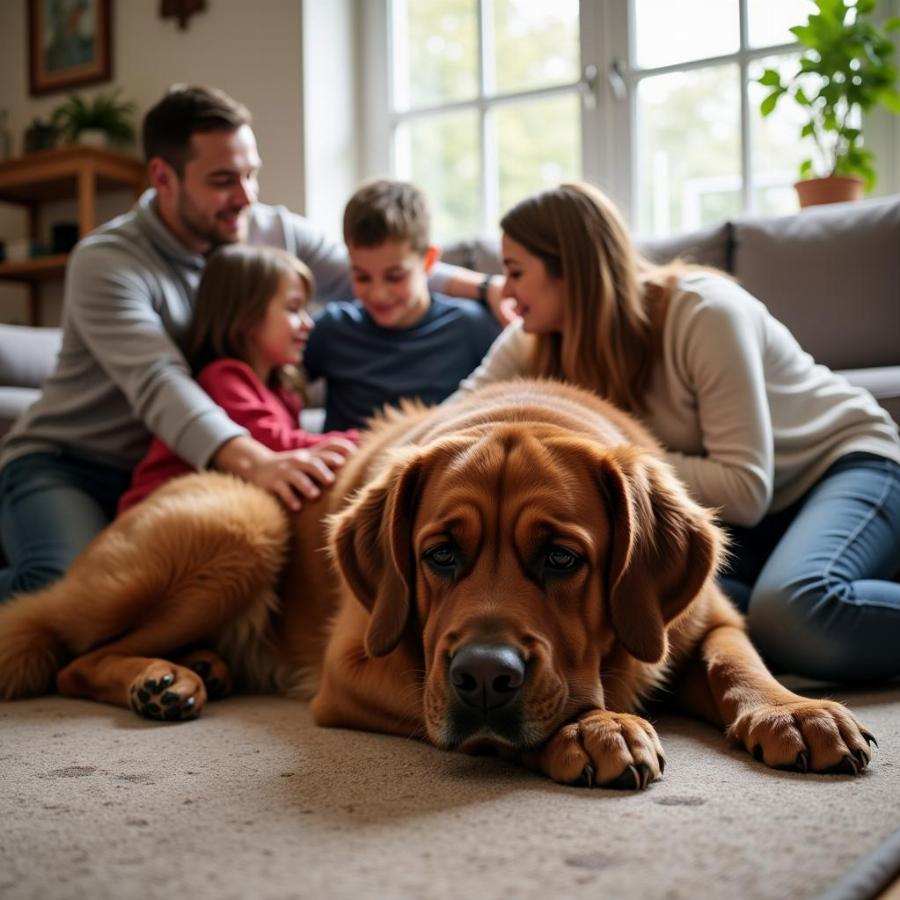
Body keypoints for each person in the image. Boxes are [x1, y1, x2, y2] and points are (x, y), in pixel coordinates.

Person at [0, 85, 501, 601]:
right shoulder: (107, 262)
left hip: (183, 469)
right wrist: (257, 460)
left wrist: (487, 287)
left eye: (250, 173)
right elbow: (158, 383)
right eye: (223, 180)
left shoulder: (267, 228)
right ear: (162, 178)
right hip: (70, 462)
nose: (246, 196)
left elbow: (382, 268)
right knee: (66, 595)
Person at [454, 181, 900, 684]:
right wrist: (350, 450)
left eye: (515, 272)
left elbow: (745, 488)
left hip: (843, 465)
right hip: (747, 530)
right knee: (681, 611)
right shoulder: (532, 340)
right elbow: (449, 423)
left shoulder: (704, 312)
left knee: (797, 611)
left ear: (571, 271)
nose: (505, 291)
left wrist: (596, 463)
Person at [118, 244, 356, 513]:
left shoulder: (282, 391)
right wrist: (365, 442)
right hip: (154, 516)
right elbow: (276, 444)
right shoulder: (223, 378)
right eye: (293, 309)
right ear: (247, 318)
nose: (308, 323)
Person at [303, 179, 502, 431]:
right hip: (350, 465)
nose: (378, 294)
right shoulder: (332, 329)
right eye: (362, 276)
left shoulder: (471, 326)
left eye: (395, 276)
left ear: (429, 261)